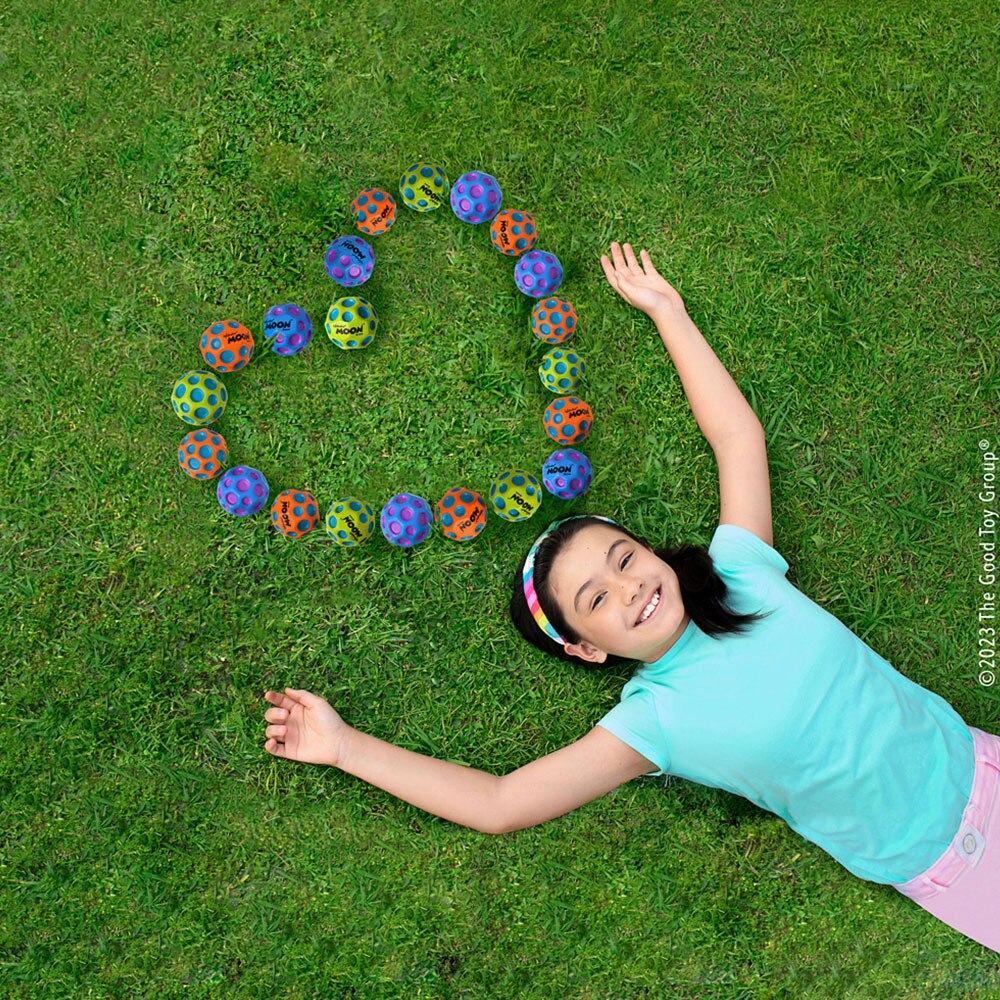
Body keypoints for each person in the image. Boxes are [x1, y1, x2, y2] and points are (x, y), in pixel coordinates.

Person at [263, 242, 999, 953]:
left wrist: (667, 312)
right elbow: (500, 803)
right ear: (588, 648)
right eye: (597, 600)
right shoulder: (653, 722)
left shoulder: (741, 571)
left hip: (983, 758)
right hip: (952, 866)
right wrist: (345, 747)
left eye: (625, 559)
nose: (631, 586)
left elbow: (737, 438)